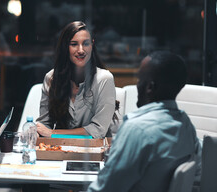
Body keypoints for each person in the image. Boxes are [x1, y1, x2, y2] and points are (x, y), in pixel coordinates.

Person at [87, 51, 201, 192]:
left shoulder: (137, 130)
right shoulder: (186, 126)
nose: (137, 85)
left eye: (140, 80)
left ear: (149, 87)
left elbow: (106, 188)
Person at [36, 21, 116, 138]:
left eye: (86, 44)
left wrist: (53, 133)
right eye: (74, 44)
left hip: (94, 152)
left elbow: (98, 131)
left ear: (92, 45)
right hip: (60, 150)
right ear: (65, 47)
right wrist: (36, 132)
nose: (81, 50)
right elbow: (44, 125)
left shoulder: (104, 79)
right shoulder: (51, 78)